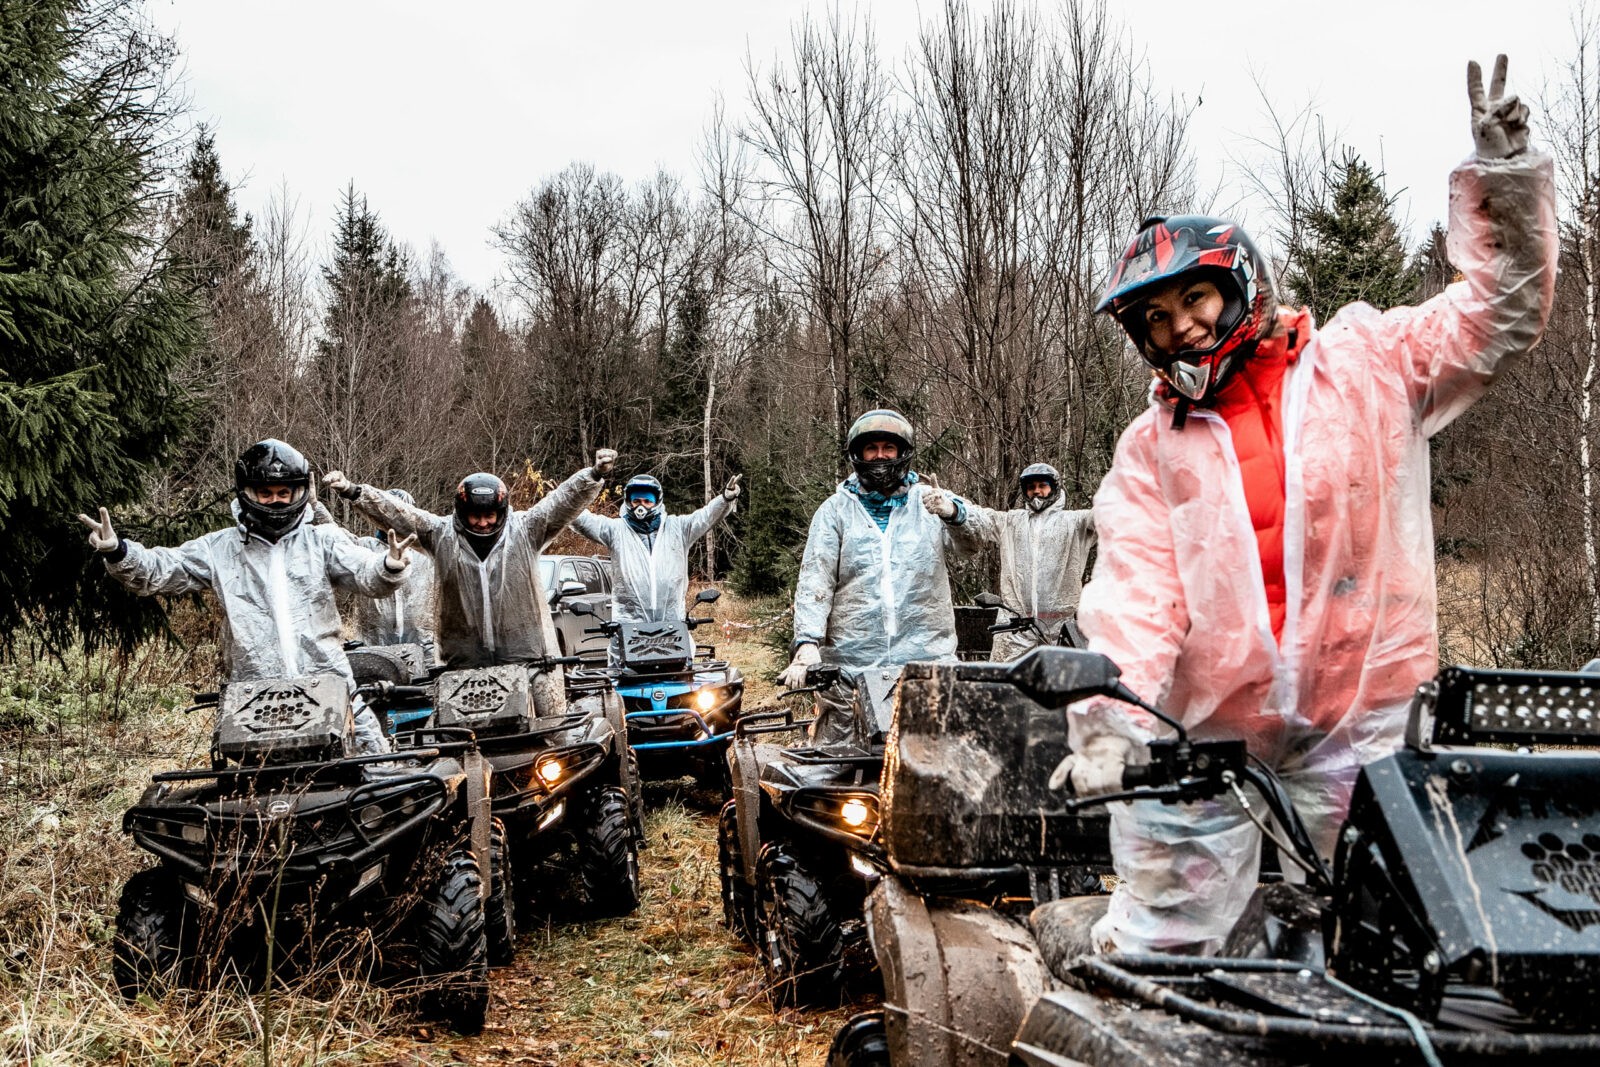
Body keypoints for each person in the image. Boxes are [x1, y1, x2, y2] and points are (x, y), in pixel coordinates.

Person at [1049, 55, 1556, 956]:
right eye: (1154, 321)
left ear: (1238, 282)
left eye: (1193, 298)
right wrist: (1110, 726)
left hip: (1363, 722)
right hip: (1205, 741)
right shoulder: (1151, 450)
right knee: (1164, 946)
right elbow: (1137, 597)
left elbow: (1498, 314)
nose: (1181, 330)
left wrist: (1507, 187)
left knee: (1412, 937)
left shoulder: (1366, 364)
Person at [78, 439, 414, 755]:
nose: (276, 500)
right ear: (247, 491)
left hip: (331, 685)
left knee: (376, 769)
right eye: (265, 492)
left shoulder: (321, 540)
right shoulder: (219, 548)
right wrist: (119, 551)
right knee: (253, 794)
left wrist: (390, 565)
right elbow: (161, 569)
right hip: (254, 697)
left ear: (300, 491)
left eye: (285, 491)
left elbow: (366, 573)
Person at [323, 452, 615, 716]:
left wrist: (592, 475)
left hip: (531, 658)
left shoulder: (527, 530)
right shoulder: (441, 534)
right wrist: (355, 492)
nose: (483, 523)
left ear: (501, 512)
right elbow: (400, 514)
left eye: (490, 515)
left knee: (551, 729)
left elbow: (560, 502)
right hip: (461, 663)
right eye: (475, 516)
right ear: (462, 512)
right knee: (456, 739)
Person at [777, 410, 983, 745]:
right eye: (871, 448)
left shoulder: (930, 501)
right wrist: (806, 644)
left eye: (889, 447)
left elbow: (974, 543)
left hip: (925, 664)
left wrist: (954, 514)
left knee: (937, 757)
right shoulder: (835, 511)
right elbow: (816, 580)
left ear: (903, 452)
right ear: (858, 455)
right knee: (838, 762)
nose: (880, 456)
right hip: (849, 668)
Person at [570, 472, 741, 651]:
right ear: (628, 502)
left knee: (682, 673)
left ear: (656, 501)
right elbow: (585, 522)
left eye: (646, 501)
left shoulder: (679, 528)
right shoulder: (615, 530)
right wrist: (564, 502)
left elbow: (705, 517)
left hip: (673, 627)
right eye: (636, 501)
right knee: (623, 675)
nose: (641, 506)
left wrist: (725, 498)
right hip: (628, 629)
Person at [966, 463, 1096, 660]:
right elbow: (982, 518)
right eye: (1031, 487)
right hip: (1015, 630)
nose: (1036, 491)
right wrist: (951, 506)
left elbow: (1104, 517)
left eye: (1042, 485)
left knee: (1064, 685)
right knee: (1005, 684)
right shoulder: (1012, 522)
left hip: (1061, 629)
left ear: (1054, 487)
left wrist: (1121, 496)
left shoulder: (1074, 522)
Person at [319, 489, 439, 661]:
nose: (393, 522)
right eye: (387, 514)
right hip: (374, 644)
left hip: (424, 646)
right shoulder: (365, 547)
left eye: (400, 515)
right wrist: (317, 508)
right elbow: (337, 539)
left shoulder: (427, 551)